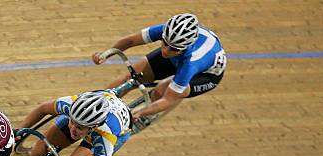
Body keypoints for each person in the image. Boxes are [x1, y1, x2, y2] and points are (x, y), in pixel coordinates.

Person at [92, 13, 226, 125]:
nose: (166, 51)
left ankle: (144, 119)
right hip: (179, 57)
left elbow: (168, 99)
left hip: (205, 75)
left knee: (162, 92)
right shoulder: (168, 33)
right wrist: (106, 54)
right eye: (164, 43)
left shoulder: (192, 62)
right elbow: (130, 40)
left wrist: (140, 113)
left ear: (185, 47)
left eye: (172, 48)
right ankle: (96, 106)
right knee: (131, 77)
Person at [18, 90, 132, 156]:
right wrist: (17, 131)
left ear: (92, 127)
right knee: (37, 153)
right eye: (71, 121)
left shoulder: (106, 137)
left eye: (79, 127)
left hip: (116, 129)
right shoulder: (70, 104)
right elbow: (42, 109)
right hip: (96, 107)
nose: (72, 128)